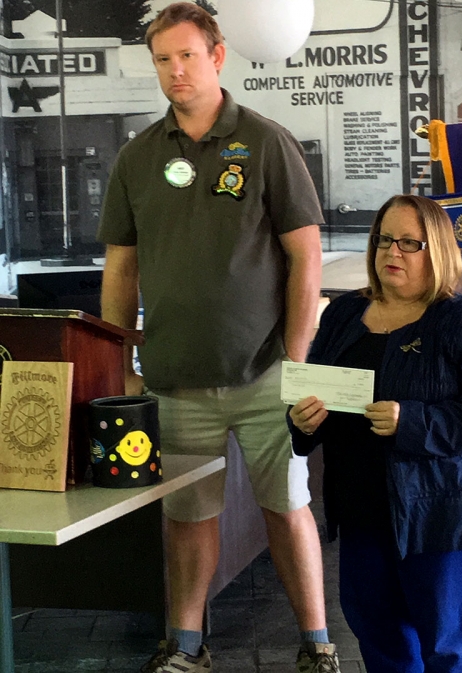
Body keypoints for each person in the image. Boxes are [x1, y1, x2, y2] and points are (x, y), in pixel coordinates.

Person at [97, 4, 340, 672]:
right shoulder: (138, 157)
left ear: (218, 55)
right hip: (174, 378)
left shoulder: (265, 142)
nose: (175, 71)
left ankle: (317, 643)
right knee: (187, 518)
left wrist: (295, 362)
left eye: (187, 56)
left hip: (264, 374)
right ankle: (187, 647)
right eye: (162, 59)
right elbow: (120, 270)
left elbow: (306, 256)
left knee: (288, 509)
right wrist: (121, 364)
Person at [288, 194, 462, 673]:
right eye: (385, 240)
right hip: (362, 511)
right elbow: (314, 391)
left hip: (445, 513)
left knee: (449, 649)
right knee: (380, 639)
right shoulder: (343, 315)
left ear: (437, 251)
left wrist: (412, 423)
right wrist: (302, 422)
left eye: (409, 243)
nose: (393, 252)